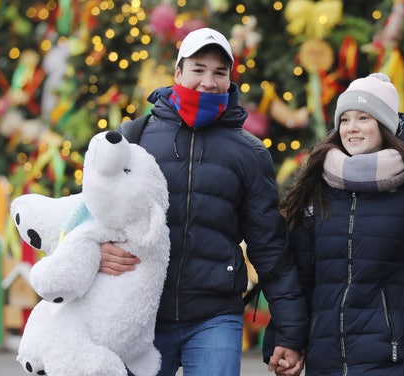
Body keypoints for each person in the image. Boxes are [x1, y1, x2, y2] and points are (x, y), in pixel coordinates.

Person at [98, 27, 307, 376]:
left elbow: (269, 246)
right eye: (198, 69)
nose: (208, 81)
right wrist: (98, 250)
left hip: (214, 316)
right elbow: (89, 216)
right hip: (141, 313)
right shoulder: (134, 139)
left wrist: (290, 332)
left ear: (229, 81)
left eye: (219, 72)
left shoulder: (249, 153)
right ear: (178, 72)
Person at [279, 73, 404, 375]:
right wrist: (286, 340)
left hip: (393, 360)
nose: (352, 128)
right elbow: (302, 279)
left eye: (363, 117)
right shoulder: (318, 188)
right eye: (345, 119)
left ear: (385, 125)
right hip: (327, 363)